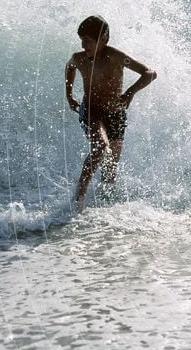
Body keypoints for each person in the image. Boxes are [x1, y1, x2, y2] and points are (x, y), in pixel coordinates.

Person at [65, 15, 157, 211]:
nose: (84, 45)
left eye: (89, 40)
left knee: (110, 169)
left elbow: (149, 73)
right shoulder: (79, 58)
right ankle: (78, 198)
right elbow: (69, 67)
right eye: (82, 39)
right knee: (100, 149)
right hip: (91, 111)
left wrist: (130, 92)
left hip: (116, 114)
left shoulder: (115, 57)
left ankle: (104, 210)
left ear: (104, 38)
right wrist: (69, 95)